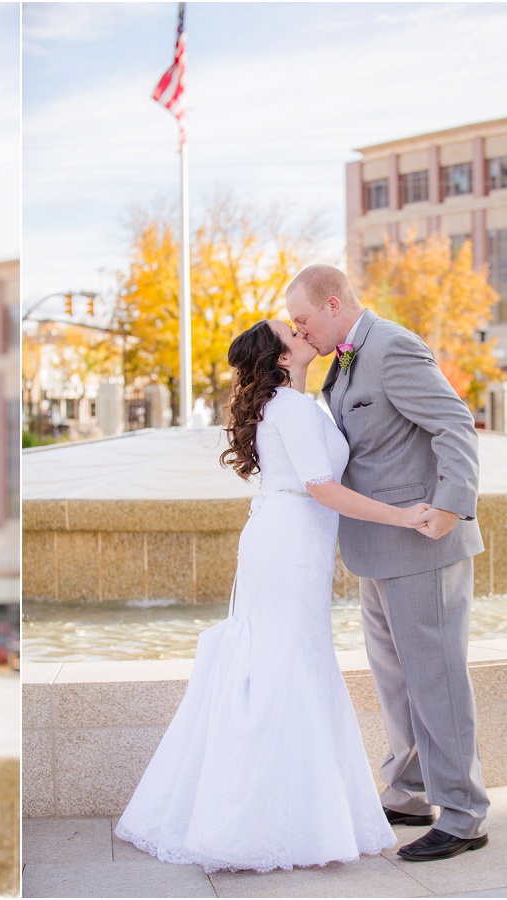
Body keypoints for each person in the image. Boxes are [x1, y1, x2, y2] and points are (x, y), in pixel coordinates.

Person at [116, 319, 429, 872]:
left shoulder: (293, 404)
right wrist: (401, 516)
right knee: (285, 663)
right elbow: (322, 487)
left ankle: (291, 809)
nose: (303, 329)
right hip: (288, 545)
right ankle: (254, 820)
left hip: (289, 540)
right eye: (292, 329)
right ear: (280, 356)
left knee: (285, 660)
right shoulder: (289, 407)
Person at [285, 263, 490, 861]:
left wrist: (452, 505)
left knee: (437, 677)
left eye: (303, 320)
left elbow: (456, 424)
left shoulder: (394, 347)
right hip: (375, 547)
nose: (301, 333)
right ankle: (409, 791)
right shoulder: (342, 362)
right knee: (397, 680)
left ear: (331, 304)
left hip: (424, 542)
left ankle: (464, 813)